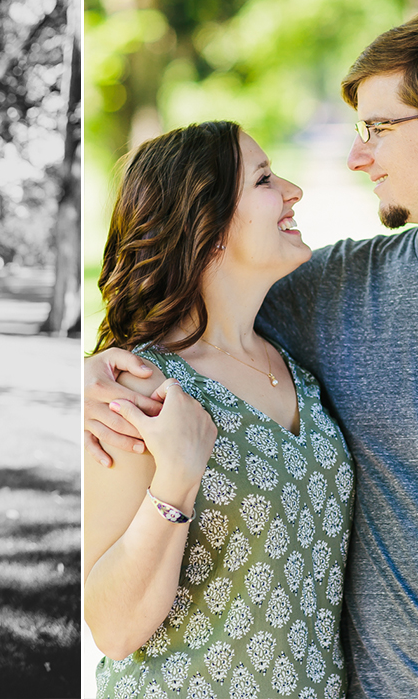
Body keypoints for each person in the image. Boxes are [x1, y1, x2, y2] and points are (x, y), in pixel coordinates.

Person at [84, 7, 418, 698]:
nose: (356, 155)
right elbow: (187, 316)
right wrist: (91, 377)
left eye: (380, 128)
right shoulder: (332, 290)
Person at [84, 120, 355, 699]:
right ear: (206, 230)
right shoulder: (141, 388)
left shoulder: (296, 368)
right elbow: (113, 628)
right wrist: (177, 481)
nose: (293, 191)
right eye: (263, 180)